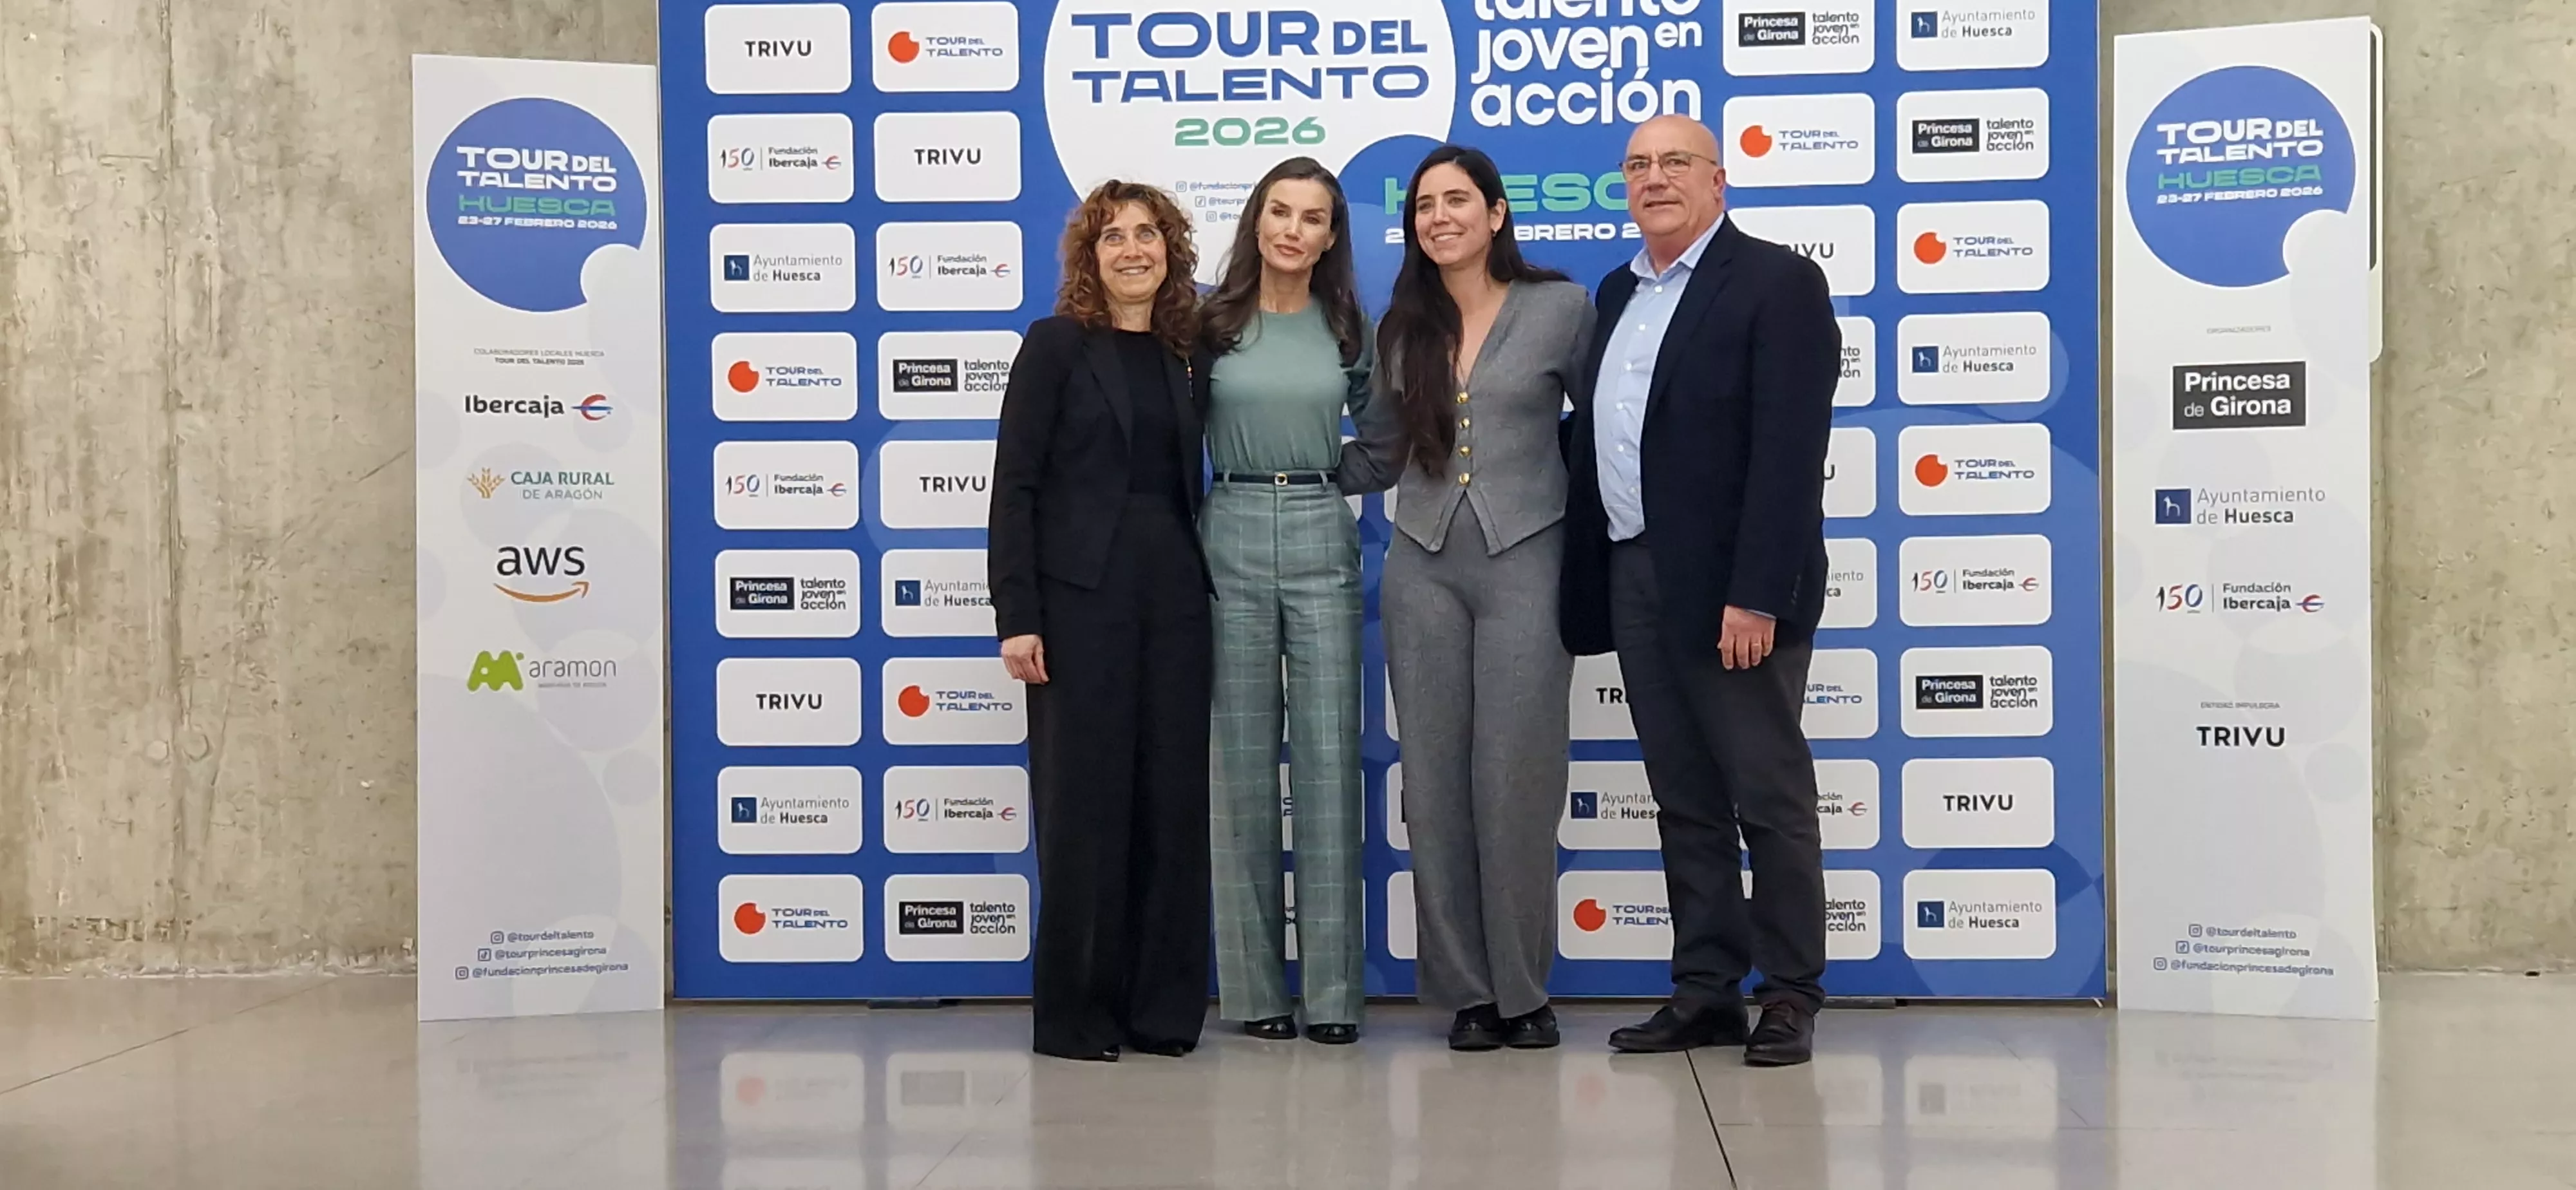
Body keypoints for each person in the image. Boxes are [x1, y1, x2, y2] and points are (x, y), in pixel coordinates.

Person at [1558, 115, 1841, 1067]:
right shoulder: (1617, 292)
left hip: (1734, 589)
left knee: (1767, 795)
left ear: (1718, 181)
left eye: (1676, 162)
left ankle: (1791, 991)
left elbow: (1790, 451)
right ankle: (1707, 990)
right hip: (1635, 572)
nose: (1656, 178)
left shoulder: (1777, 282)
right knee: (1682, 798)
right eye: (1639, 166)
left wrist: (1757, 593)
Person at [1370, 144, 1594, 1053]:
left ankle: (1523, 990)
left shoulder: (1561, 309)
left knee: (1517, 779)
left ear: (1497, 213)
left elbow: (1608, 426)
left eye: (1458, 200)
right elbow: (1380, 451)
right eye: (1425, 206)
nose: (1441, 218)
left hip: (1528, 559)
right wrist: (1277, 473)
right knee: (1432, 784)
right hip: (1420, 566)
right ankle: (1467, 992)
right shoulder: (1400, 327)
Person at [989, 180, 1213, 1062]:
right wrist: (1017, 613)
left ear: (1170, 250)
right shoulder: (1054, 346)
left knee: (1171, 804)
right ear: (1089, 256)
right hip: (1079, 602)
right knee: (1083, 807)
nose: (1132, 250)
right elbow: (1015, 484)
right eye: (1113, 236)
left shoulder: (1184, 351)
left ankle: (1161, 1012)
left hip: (1175, 599)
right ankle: (1077, 1015)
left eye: (1147, 234)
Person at [1195, 158, 1391, 1046]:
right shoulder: (1209, 323)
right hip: (1229, 523)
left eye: (1313, 218)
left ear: (1330, 236)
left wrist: (1322, 479)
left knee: (1327, 760)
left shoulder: (1348, 325)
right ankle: (1256, 993)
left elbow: (1386, 437)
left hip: (1317, 523)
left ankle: (1336, 995)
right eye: (1280, 212)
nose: (1292, 230)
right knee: (1239, 765)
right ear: (1256, 220)